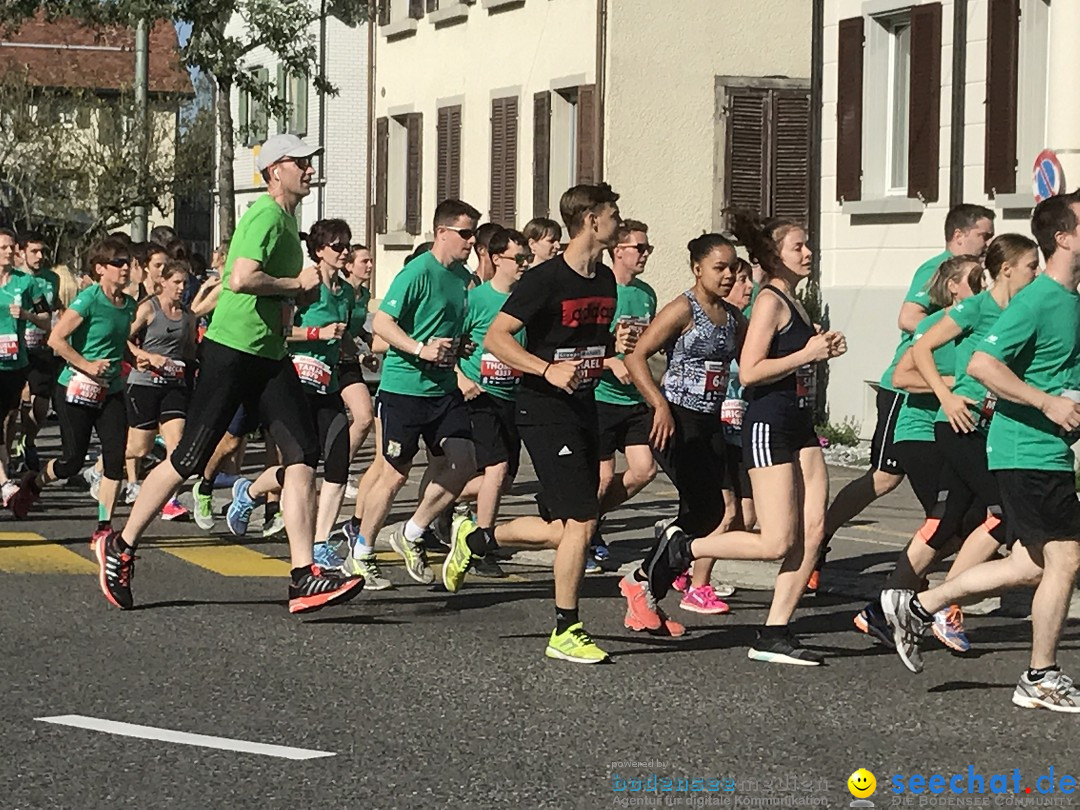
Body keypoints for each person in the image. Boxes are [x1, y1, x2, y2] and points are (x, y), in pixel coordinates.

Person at [93, 133, 364, 614]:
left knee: (303, 453)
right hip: (232, 351)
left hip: (269, 354)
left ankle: (304, 575)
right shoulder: (264, 214)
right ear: (275, 169)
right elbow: (240, 278)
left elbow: (268, 290)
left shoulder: (286, 219)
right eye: (300, 162)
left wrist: (292, 300)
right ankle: (121, 543)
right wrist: (293, 283)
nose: (308, 169)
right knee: (190, 458)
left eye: (309, 162)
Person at [882, 191, 1080, 713]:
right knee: (1064, 557)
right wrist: (1047, 404)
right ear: (1064, 237)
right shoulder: (1036, 299)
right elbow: (983, 367)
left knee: (1031, 566)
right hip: (1024, 448)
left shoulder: (1069, 300)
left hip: (1050, 450)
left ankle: (921, 605)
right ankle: (1040, 676)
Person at [641, 211, 847, 666]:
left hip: (799, 424)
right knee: (775, 541)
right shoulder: (771, 300)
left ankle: (775, 631)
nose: (808, 252)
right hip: (769, 425)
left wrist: (820, 347)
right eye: (798, 246)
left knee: (813, 534)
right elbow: (751, 372)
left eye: (807, 244)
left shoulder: (793, 301)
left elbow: (789, 356)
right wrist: (808, 352)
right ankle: (684, 548)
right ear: (774, 256)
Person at [443, 183, 622, 664]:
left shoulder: (604, 281)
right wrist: (544, 370)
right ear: (590, 220)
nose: (618, 223)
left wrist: (613, 353)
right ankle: (566, 628)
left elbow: (586, 344)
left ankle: (477, 537)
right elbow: (497, 339)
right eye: (613, 214)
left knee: (568, 529)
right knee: (582, 522)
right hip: (543, 411)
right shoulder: (544, 279)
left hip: (584, 405)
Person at [819, 204, 995, 587]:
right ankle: (820, 539)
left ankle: (928, 568)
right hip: (906, 393)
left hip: (941, 403)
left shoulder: (980, 282)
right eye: (984, 234)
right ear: (960, 235)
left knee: (947, 499)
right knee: (884, 478)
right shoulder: (941, 268)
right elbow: (908, 318)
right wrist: (951, 331)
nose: (989, 242)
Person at [337, 200, 479, 584]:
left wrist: (458, 345)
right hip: (404, 390)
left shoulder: (461, 278)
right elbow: (382, 322)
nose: (471, 240)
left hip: (443, 388)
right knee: (394, 474)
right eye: (465, 233)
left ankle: (411, 532)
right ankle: (361, 551)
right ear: (442, 232)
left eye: (474, 233)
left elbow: (445, 328)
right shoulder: (417, 272)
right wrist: (421, 349)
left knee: (464, 463)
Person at [852, 255, 983, 643]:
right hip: (921, 432)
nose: (982, 282)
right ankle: (929, 606)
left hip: (957, 433)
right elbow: (901, 375)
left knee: (967, 526)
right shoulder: (934, 324)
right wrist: (953, 383)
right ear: (954, 287)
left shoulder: (982, 321)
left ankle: (892, 607)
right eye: (974, 277)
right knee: (948, 525)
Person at [620, 233, 744, 626]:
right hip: (676, 418)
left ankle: (643, 587)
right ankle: (642, 583)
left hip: (711, 421)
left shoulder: (732, 317)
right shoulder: (682, 309)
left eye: (732, 268)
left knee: (707, 514)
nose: (727, 276)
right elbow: (637, 356)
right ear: (697, 269)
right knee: (706, 510)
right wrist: (659, 405)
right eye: (718, 268)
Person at [9, 237, 135, 543]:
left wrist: (138, 357)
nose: (125, 268)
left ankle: (104, 527)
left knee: (115, 458)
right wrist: (87, 365)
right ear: (100, 268)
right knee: (71, 461)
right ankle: (35, 483)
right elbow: (56, 340)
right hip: (75, 389)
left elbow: (117, 344)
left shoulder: (128, 304)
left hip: (111, 391)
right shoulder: (89, 299)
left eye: (127, 263)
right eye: (118, 263)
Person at [672, 257, 757, 603]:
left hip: (742, 434)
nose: (747, 287)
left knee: (747, 516)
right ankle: (697, 585)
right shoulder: (707, 323)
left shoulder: (744, 324)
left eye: (749, 281)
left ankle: (682, 558)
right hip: (711, 429)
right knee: (726, 512)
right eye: (741, 281)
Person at [448, 227, 531, 578]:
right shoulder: (476, 299)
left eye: (527, 259)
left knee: (505, 480)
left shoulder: (527, 299)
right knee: (495, 469)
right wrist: (461, 378)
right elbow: (450, 341)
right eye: (518, 259)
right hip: (479, 395)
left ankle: (445, 502)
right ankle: (481, 546)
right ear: (497, 259)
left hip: (513, 395)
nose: (525, 265)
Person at [591, 219, 658, 570]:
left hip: (633, 399)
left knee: (645, 470)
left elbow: (647, 344)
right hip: (601, 396)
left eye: (648, 248)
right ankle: (585, 533)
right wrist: (608, 362)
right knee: (601, 477)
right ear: (618, 251)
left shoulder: (646, 293)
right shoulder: (602, 290)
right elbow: (578, 346)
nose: (646, 254)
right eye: (640, 248)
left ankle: (589, 519)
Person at [123, 258, 197, 521]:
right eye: (176, 282)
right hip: (143, 383)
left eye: (185, 284)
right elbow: (122, 338)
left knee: (176, 445)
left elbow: (189, 351)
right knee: (140, 449)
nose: (181, 288)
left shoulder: (188, 316)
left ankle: (169, 501)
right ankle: (101, 464)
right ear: (162, 282)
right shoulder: (148, 309)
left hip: (173, 386)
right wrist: (145, 356)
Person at [0, 229, 50, 504]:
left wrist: (28, 314)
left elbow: (46, 318)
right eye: (4, 247)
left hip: (15, 363)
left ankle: (5, 474)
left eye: (11, 247)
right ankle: (4, 481)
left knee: (9, 420)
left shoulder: (26, 284)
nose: (9, 251)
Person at [14, 231, 61, 472]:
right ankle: (14, 447)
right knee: (19, 398)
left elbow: (50, 309)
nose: (40, 256)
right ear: (20, 253)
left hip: (42, 346)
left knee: (40, 405)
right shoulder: (12, 279)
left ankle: (28, 440)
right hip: (15, 347)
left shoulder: (51, 279)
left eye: (43, 251)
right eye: (34, 251)